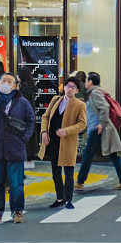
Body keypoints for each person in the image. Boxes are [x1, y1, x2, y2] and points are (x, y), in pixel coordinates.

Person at [75, 72, 121, 190]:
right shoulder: (94, 92)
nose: (86, 83)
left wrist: (101, 124)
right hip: (99, 129)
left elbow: (104, 107)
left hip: (98, 129)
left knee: (88, 155)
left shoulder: (96, 92)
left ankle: (79, 182)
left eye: (87, 81)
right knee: (113, 154)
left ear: (90, 82)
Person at [40, 76, 87, 209]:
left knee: (68, 172)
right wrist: (44, 132)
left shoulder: (80, 104)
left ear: (77, 90)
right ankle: (60, 198)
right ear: (64, 87)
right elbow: (45, 116)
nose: (70, 89)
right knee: (55, 171)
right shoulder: (56, 100)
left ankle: (69, 200)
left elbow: (82, 124)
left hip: (67, 142)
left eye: (73, 87)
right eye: (68, 86)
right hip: (53, 140)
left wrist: (67, 131)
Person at [0, 71, 35, 223]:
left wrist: (24, 138)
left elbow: (31, 121)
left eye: (10, 81)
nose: (6, 83)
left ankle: (17, 211)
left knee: (16, 184)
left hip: (15, 148)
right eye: (3, 80)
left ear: (15, 86)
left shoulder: (22, 102)